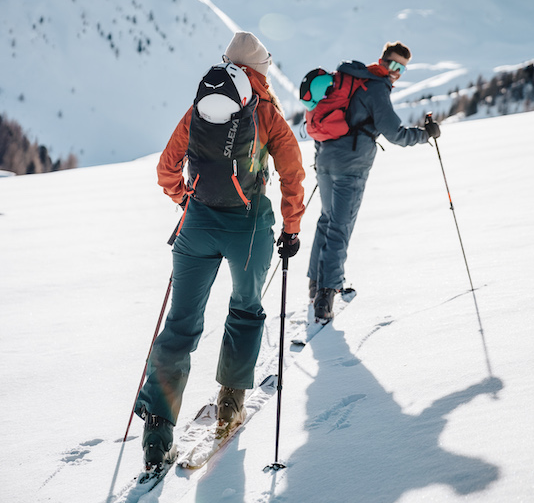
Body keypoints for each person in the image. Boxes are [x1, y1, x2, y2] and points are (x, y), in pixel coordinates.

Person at [135, 31, 305, 472]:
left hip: (197, 226)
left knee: (180, 326)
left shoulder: (203, 106)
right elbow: (291, 172)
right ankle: (230, 404)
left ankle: (157, 431)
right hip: (248, 227)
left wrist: (187, 202)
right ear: (262, 70)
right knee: (245, 310)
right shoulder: (264, 110)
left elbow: (166, 168)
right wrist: (291, 227)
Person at [308, 41, 440, 321]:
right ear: (382, 59)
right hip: (351, 165)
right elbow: (395, 134)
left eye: (401, 68)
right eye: (392, 64)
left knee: (326, 220)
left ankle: (315, 285)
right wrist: (425, 135)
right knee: (339, 228)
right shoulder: (377, 87)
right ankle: (325, 296)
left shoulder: (354, 80)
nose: (395, 72)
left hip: (325, 159)